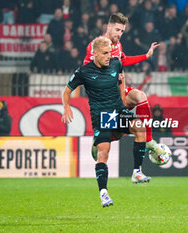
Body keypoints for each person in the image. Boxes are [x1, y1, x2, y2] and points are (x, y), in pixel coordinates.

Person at [62, 37, 151, 207]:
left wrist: (123, 101)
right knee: (104, 152)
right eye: (104, 53)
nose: (108, 56)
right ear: (94, 54)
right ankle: (104, 193)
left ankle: (137, 172)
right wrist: (66, 107)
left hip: (118, 110)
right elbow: (67, 91)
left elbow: (120, 80)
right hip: (102, 116)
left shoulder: (116, 63)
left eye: (110, 52)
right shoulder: (83, 72)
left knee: (140, 128)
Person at [83, 13, 166, 159]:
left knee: (140, 96)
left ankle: (148, 141)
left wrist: (145, 56)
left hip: (119, 90)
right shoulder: (95, 46)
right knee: (118, 132)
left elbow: (123, 60)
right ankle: (99, 141)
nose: (119, 34)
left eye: (122, 31)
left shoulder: (117, 45)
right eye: (117, 30)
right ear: (108, 27)